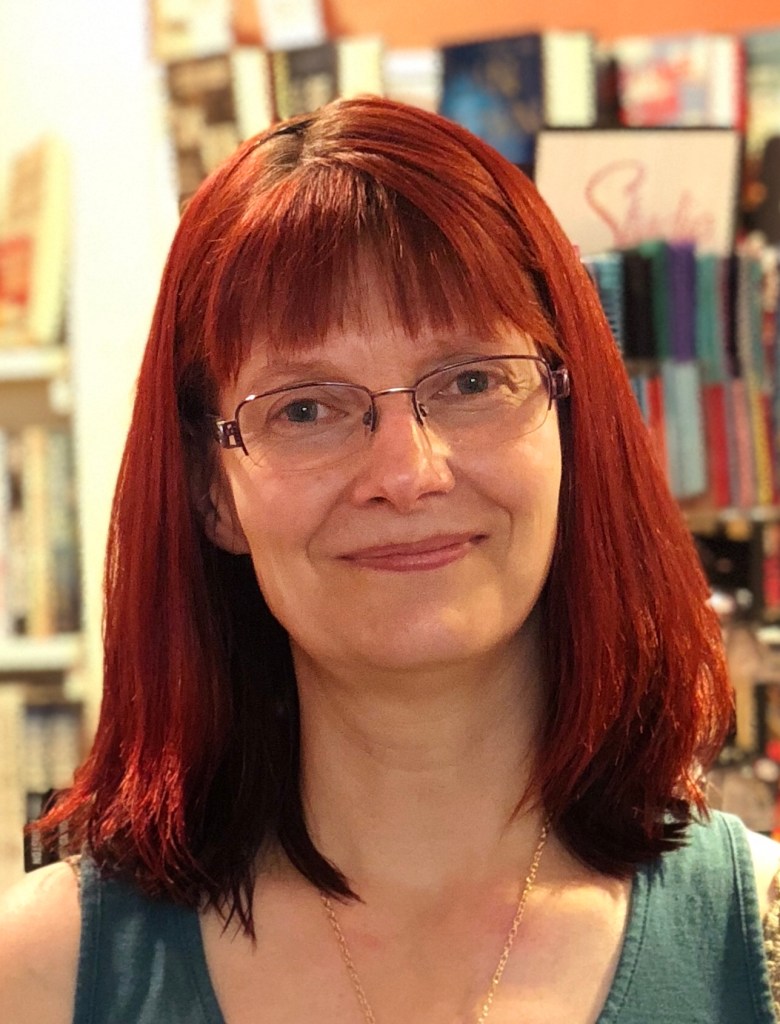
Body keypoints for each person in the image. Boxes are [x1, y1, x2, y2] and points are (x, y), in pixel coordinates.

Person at [1, 94, 779, 1024]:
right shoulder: (41, 975)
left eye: (472, 381)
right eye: (305, 408)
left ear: (574, 428)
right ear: (212, 492)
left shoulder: (760, 941)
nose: (407, 474)